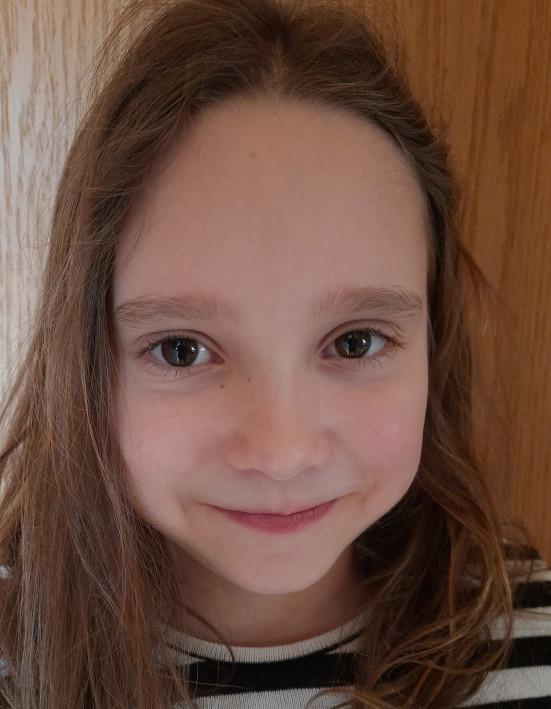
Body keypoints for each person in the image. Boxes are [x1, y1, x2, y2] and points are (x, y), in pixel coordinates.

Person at [0, 0, 549, 707]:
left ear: (431, 348)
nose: (281, 453)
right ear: (84, 364)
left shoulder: (532, 644)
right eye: (181, 350)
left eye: (354, 342)